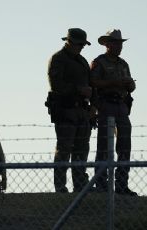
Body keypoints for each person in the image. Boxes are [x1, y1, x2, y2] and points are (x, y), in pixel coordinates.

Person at [46, 28, 95, 193]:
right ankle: (60, 186)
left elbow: (90, 86)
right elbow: (56, 85)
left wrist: (91, 106)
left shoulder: (82, 61)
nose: (82, 47)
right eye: (79, 44)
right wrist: (78, 90)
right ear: (69, 42)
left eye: (83, 45)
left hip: (82, 110)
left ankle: (80, 185)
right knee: (64, 149)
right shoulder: (58, 59)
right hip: (65, 109)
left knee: (82, 149)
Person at [90, 29, 137, 196]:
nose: (119, 46)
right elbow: (93, 82)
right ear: (107, 44)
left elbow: (131, 86)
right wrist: (113, 83)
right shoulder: (99, 62)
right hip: (106, 105)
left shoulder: (123, 64)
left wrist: (130, 85)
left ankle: (122, 184)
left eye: (120, 43)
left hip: (121, 106)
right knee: (104, 146)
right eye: (116, 43)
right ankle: (101, 184)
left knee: (125, 145)